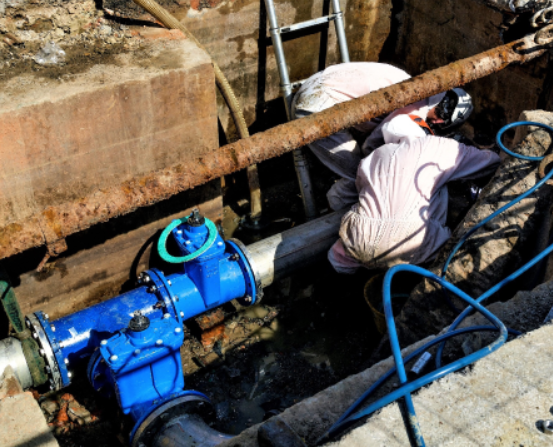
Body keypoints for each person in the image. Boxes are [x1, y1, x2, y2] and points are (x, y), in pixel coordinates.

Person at [327, 114, 501, 273]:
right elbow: (488, 162)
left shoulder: (376, 155)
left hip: (360, 232)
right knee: (453, 249)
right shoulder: (431, 145)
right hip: (412, 238)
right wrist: (493, 152)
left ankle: (363, 280)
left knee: (341, 257)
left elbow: (362, 190)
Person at [291, 62, 474, 210]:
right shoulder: (415, 107)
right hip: (316, 108)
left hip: (315, 84)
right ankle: (334, 208)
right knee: (362, 174)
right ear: (443, 121)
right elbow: (371, 145)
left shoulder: (415, 83)